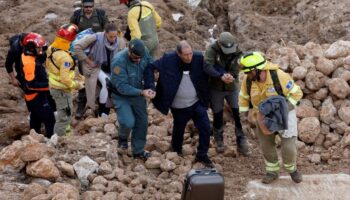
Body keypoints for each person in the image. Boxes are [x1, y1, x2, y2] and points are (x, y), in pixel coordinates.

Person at [144, 41, 213, 168]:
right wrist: (150, 87)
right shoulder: (168, 59)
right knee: (179, 128)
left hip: (196, 103)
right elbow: (150, 67)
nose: (189, 57)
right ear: (178, 54)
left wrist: (221, 75)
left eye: (190, 53)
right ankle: (176, 151)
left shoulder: (198, 58)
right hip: (178, 106)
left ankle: (202, 154)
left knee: (205, 128)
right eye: (185, 55)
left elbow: (212, 67)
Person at [238, 51, 303, 184]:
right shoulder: (249, 80)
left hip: (284, 115)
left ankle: (292, 169)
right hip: (261, 116)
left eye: (249, 72)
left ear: (257, 69)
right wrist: (246, 114)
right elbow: (244, 97)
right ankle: (272, 171)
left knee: (288, 147)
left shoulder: (279, 76)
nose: (247, 75)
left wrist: (284, 109)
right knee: (266, 146)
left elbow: (297, 94)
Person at [203, 32, 249, 156]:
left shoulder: (237, 51)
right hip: (216, 87)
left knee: (237, 113)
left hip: (232, 87)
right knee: (217, 113)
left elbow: (238, 67)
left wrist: (231, 76)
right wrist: (220, 76)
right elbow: (207, 66)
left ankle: (241, 140)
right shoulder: (212, 50)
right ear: (219, 43)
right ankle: (219, 139)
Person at [109, 39, 154, 160]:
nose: (138, 60)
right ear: (129, 51)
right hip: (121, 95)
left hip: (138, 93)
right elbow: (122, 87)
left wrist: (150, 86)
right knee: (128, 122)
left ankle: (138, 151)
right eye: (135, 57)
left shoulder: (144, 52)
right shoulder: (118, 62)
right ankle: (123, 137)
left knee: (142, 122)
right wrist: (142, 92)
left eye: (140, 57)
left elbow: (149, 66)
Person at [74, 23, 126, 117]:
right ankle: (102, 112)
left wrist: (118, 72)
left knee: (114, 85)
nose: (113, 39)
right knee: (106, 83)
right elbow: (77, 46)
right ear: (105, 33)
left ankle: (104, 109)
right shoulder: (95, 38)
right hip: (95, 67)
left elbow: (122, 58)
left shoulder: (120, 41)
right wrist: (88, 61)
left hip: (112, 68)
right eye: (111, 36)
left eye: (115, 36)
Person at [70, 0, 109, 119]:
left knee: (99, 78)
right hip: (83, 53)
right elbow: (71, 32)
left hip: (99, 52)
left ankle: (97, 105)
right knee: (85, 79)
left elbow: (107, 31)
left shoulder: (101, 14)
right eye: (86, 6)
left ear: (93, 6)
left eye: (90, 6)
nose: (88, 9)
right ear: (82, 6)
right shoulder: (76, 16)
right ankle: (81, 106)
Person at [46, 24, 84, 136]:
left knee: (64, 114)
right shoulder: (65, 59)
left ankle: (67, 134)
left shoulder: (52, 48)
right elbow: (65, 79)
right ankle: (60, 141)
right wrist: (77, 84)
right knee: (64, 117)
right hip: (62, 90)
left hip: (54, 86)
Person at [21, 33, 56, 138]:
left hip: (34, 97)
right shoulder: (29, 64)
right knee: (50, 119)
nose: (41, 50)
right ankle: (50, 141)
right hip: (36, 97)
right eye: (38, 48)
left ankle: (33, 138)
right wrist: (49, 84)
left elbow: (40, 57)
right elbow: (30, 85)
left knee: (35, 119)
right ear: (31, 48)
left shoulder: (28, 55)